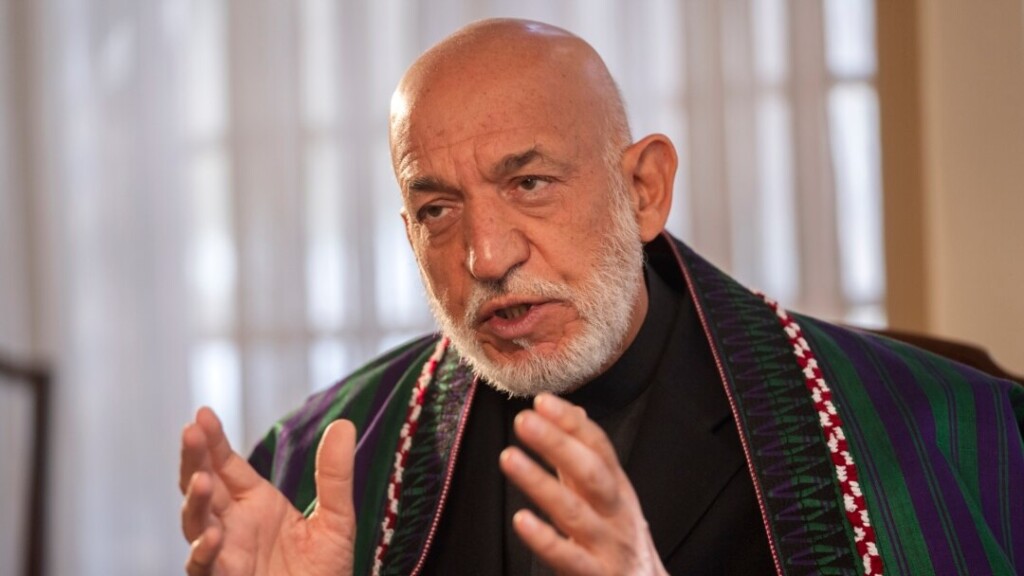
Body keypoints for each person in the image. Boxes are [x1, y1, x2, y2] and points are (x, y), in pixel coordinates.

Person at [179, 18, 1024, 575]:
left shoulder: (950, 437)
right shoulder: (314, 463)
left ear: (645, 190)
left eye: (531, 183)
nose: (487, 255)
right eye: (438, 210)